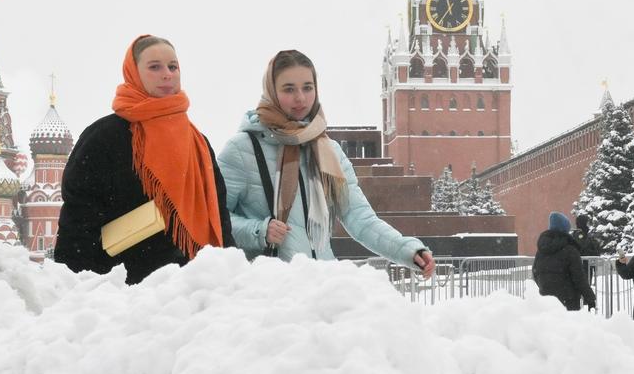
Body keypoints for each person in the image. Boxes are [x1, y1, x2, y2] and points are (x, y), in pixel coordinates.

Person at [217, 49, 435, 276]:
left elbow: (360, 218)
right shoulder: (242, 149)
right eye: (289, 89)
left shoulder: (328, 151)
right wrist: (258, 231)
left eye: (307, 88)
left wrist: (407, 250)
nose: (300, 98)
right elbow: (214, 219)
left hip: (321, 285)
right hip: (272, 290)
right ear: (271, 91)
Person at [54, 35, 234, 284]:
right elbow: (79, 214)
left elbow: (218, 210)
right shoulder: (105, 136)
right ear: (134, 72)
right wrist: (80, 283)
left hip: (192, 285)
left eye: (173, 66)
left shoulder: (197, 141)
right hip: (124, 287)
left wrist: (228, 267)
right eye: (154, 67)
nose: (167, 74)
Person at [532, 212, 596, 311]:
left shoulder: (541, 251)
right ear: (565, 229)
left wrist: (546, 287)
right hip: (568, 300)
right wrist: (590, 298)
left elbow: (535, 272)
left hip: (546, 301)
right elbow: (579, 278)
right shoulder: (570, 250)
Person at [571, 213, 603, 285]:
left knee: (587, 286)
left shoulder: (586, 234)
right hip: (582, 266)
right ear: (583, 223)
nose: (589, 224)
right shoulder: (579, 234)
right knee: (584, 287)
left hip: (587, 266)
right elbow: (584, 247)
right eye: (587, 222)